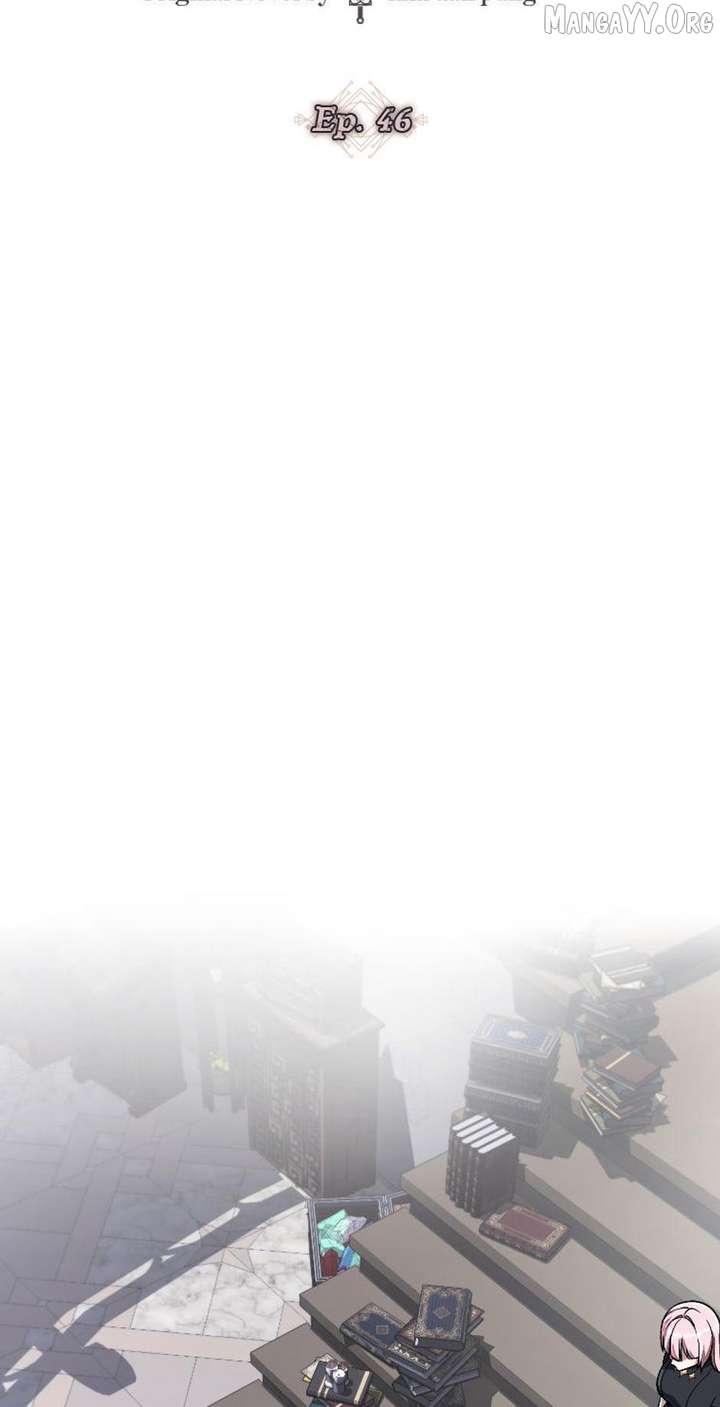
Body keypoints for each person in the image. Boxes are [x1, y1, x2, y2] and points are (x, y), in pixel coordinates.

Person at [657, 1302, 720, 1407]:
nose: (674, 1362)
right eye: (672, 1353)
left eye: (686, 1354)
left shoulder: (715, 1382)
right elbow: (664, 1397)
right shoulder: (673, 1356)